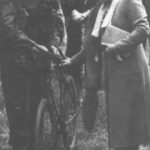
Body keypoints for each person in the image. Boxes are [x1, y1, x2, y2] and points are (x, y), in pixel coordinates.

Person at [63, 0, 150, 150]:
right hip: (115, 76)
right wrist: (72, 60)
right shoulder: (101, 9)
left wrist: (117, 47)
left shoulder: (129, 2)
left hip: (132, 74)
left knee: (130, 129)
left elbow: (143, 29)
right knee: (119, 127)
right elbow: (91, 44)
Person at [0, 0, 65, 150]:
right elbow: (8, 28)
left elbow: (56, 23)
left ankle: (35, 143)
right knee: (19, 116)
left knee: (37, 112)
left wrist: (53, 44)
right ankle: (19, 144)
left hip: (40, 62)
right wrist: (33, 45)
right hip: (15, 64)